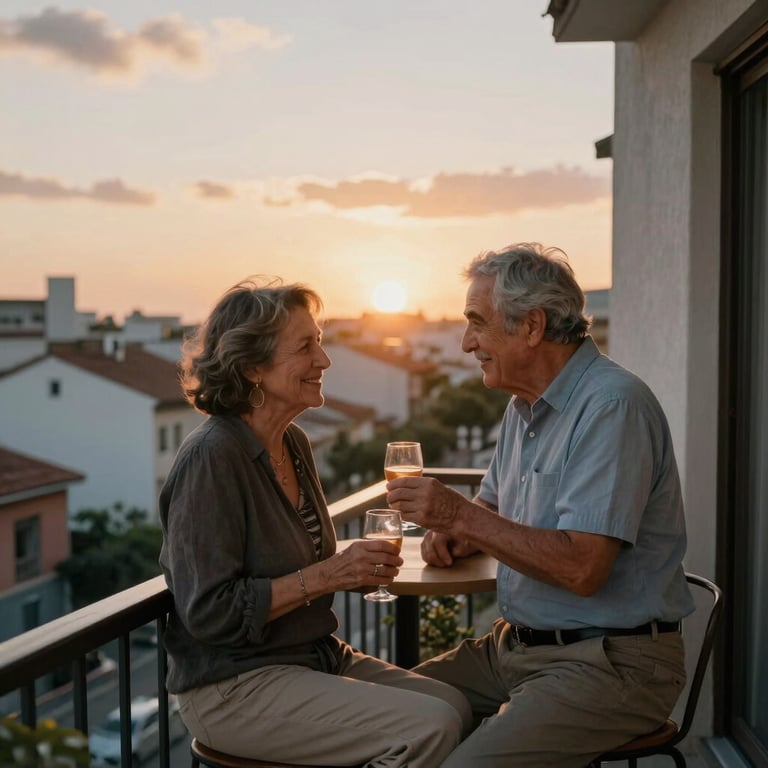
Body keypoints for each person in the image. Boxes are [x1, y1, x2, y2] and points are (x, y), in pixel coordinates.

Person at [386, 243, 695, 768]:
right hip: (517, 649)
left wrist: (459, 515)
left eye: (477, 323)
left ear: (531, 326)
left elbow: (581, 568)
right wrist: (453, 533)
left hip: (611, 662)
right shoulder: (523, 406)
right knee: (379, 715)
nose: (465, 343)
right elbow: (489, 508)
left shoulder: (612, 407)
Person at [158, 278, 471, 768]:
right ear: (252, 367)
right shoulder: (212, 457)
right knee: (431, 727)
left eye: (320, 343)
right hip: (233, 685)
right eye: (306, 347)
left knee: (458, 707)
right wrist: (330, 574)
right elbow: (209, 612)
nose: (324, 361)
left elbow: (305, 563)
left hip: (310, 656)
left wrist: (351, 565)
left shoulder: (294, 443)